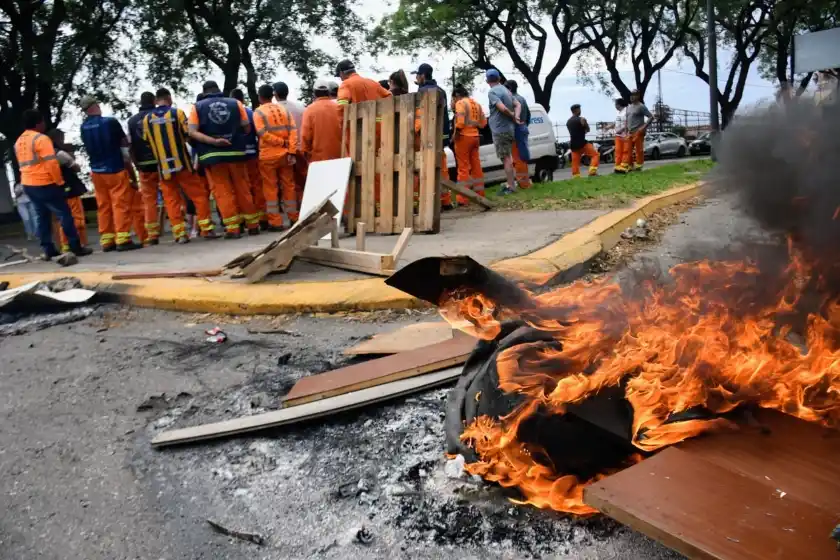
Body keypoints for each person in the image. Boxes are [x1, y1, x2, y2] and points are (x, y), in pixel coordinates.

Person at [144, 87, 219, 243]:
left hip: (163, 168)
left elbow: (147, 141)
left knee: (171, 201)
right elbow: (188, 134)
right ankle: (206, 229)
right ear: (169, 98)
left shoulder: (147, 119)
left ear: (156, 100)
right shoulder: (176, 113)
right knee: (198, 196)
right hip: (182, 164)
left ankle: (179, 234)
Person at [14, 109, 91, 259]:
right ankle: (75, 246)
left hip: (28, 185)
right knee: (65, 214)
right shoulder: (41, 139)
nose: (44, 124)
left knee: (42, 217)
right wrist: (59, 182)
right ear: (38, 123)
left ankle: (48, 250)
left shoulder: (19, 142)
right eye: (43, 121)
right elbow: (52, 164)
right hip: (45, 183)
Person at [188, 80, 259, 238]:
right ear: (218, 89)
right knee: (243, 188)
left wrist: (214, 141)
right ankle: (253, 224)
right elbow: (247, 127)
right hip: (236, 153)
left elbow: (192, 132)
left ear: (204, 91)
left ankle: (233, 228)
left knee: (223, 192)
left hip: (213, 156)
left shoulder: (197, 107)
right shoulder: (235, 103)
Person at [79, 95, 141, 251]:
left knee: (103, 205)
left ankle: (107, 240)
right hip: (114, 168)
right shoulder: (110, 122)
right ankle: (122, 238)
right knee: (120, 203)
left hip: (96, 171)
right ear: (95, 105)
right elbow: (123, 143)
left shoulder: (83, 127)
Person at [335, 59, 392, 214]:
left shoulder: (346, 85)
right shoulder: (372, 83)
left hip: (358, 134)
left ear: (342, 73)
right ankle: (382, 206)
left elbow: (341, 107)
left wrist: (342, 128)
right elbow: (390, 98)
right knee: (378, 168)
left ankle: (365, 209)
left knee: (360, 172)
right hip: (379, 132)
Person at [254, 84, 298, 230]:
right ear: (272, 96)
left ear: (260, 97)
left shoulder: (258, 112)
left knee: (270, 188)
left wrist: (280, 142)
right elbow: (293, 130)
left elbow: (262, 134)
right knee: (289, 186)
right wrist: (291, 150)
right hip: (286, 155)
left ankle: (275, 222)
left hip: (268, 157)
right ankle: (294, 218)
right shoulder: (283, 110)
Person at [412, 63, 452, 207]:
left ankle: (430, 204)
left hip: (426, 136)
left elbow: (420, 117)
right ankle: (445, 200)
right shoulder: (441, 90)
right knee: (441, 167)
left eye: (417, 75)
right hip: (440, 134)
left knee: (426, 168)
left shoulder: (422, 92)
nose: (416, 77)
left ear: (422, 75)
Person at [47, 128, 90, 253]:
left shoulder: (46, 155)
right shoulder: (60, 154)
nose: (63, 141)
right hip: (70, 189)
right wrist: (70, 155)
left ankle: (66, 244)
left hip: (57, 190)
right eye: (62, 138)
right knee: (76, 217)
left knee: (63, 218)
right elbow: (76, 168)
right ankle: (77, 243)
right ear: (57, 139)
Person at [127, 91, 162, 244]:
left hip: (143, 165)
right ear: (154, 100)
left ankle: (152, 234)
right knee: (171, 196)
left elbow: (130, 147)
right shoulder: (159, 116)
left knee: (149, 201)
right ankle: (179, 231)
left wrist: (137, 165)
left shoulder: (132, 121)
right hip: (161, 163)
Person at [230, 88, 267, 228]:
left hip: (238, 156)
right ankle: (262, 216)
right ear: (243, 99)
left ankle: (243, 219)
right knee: (257, 186)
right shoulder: (251, 113)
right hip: (253, 154)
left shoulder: (230, 113)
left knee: (240, 187)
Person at [451, 84, 487, 202]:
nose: (453, 102)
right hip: (475, 137)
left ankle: (463, 198)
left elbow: (460, 123)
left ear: (457, 96)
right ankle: (480, 193)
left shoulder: (460, 103)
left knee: (463, 168)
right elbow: (483, 123)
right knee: (476, 167)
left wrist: (454, 137)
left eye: (453, 99)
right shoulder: (476, 104)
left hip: (463, 138)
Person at [485, 69, 518, 195]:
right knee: (508, 157)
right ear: (499, 78)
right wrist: (516, 116)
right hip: (509, 128)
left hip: (500, 129)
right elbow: (517, 104)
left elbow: (502, 108)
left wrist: (512, 115)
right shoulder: (506, 90)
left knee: (506, 158)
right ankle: (511, 183)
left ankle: (511, 186)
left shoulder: (492, 92)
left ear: (487, 80)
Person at [301, 78, 342, 163]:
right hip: (340, 156)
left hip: (318, 159)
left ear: (314, 93)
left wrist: (305, 153)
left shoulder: (310, 110)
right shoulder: (338, 108)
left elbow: (305, 136)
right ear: (328, 92)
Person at [505, 80, 532, 189]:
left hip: (516, 130)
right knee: (523, 156)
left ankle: (523, 183)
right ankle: (526, 182)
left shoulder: (512, 100)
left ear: (509, 89)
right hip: (523, 128)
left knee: (518, 158)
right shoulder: (522, 99)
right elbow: (529, 115)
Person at [566, 104, 600, 178]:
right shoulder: (581, 119)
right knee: (595, 155)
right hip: (582, 143)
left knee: (575, 162)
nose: (580, 111)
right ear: (577, 110)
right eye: (579, 109)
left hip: (573, 145)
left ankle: (576, 176)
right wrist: (585, 124)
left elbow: (574, 132)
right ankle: (592, 171)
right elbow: (588, 130)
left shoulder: (568, 122)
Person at [627, 90, 654, 171]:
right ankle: (630, 165)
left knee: (639, 150)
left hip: (638, 132)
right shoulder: (629, 107)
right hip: (629, 132)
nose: (632, 96)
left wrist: (644, 127)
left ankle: (639, 165)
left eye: (634, 95)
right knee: (628, 150)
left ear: (638, 96)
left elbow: (651, 117)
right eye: (631, 95)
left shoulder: (641, 106)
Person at [613, 98, 631, 174]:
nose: (615, 106)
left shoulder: (626, 111)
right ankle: (617, 166)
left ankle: (624, 166)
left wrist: (622, 129)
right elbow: (617, 123)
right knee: (618, 152)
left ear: (618, 104)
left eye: (615, 104)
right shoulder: (619, 113)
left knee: (625, 151)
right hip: (617, 135)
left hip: (625, 135)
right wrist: (609, 126)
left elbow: (629, 123)